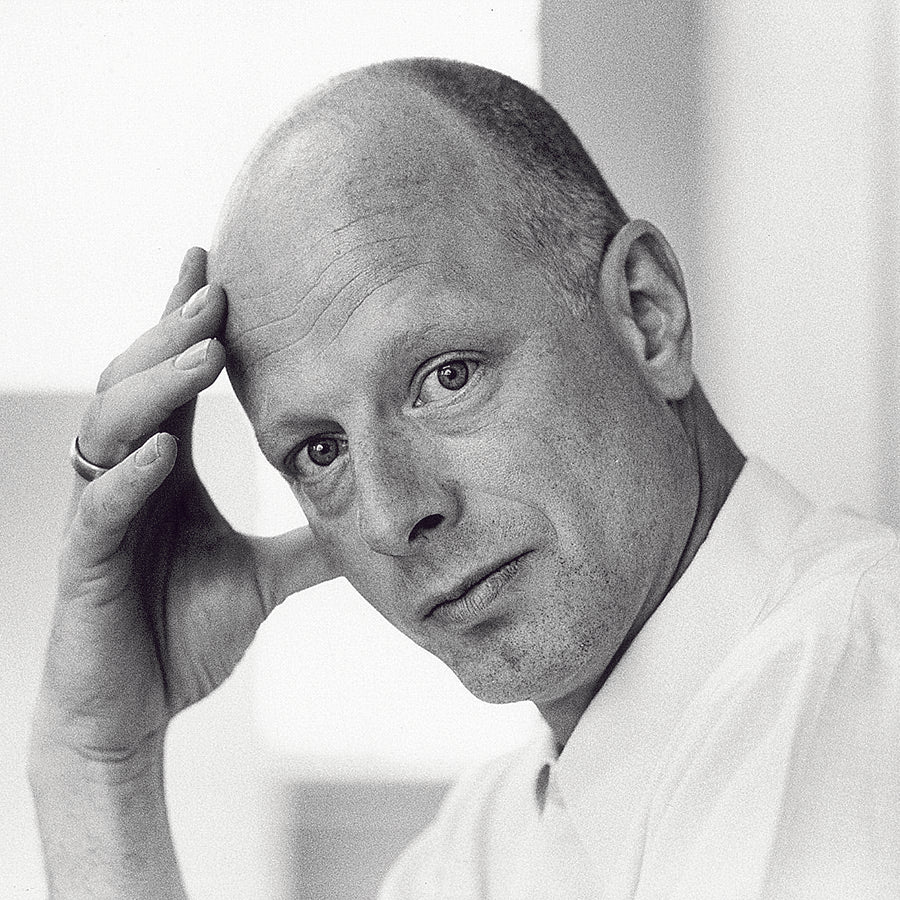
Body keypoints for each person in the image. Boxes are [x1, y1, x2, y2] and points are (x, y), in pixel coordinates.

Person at [28, 58, 899, 899]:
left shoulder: (852, 682)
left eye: (447, 377)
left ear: (647, 313)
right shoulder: (482, 846)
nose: (394, 512)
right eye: (320, 452)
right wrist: (97, 759)